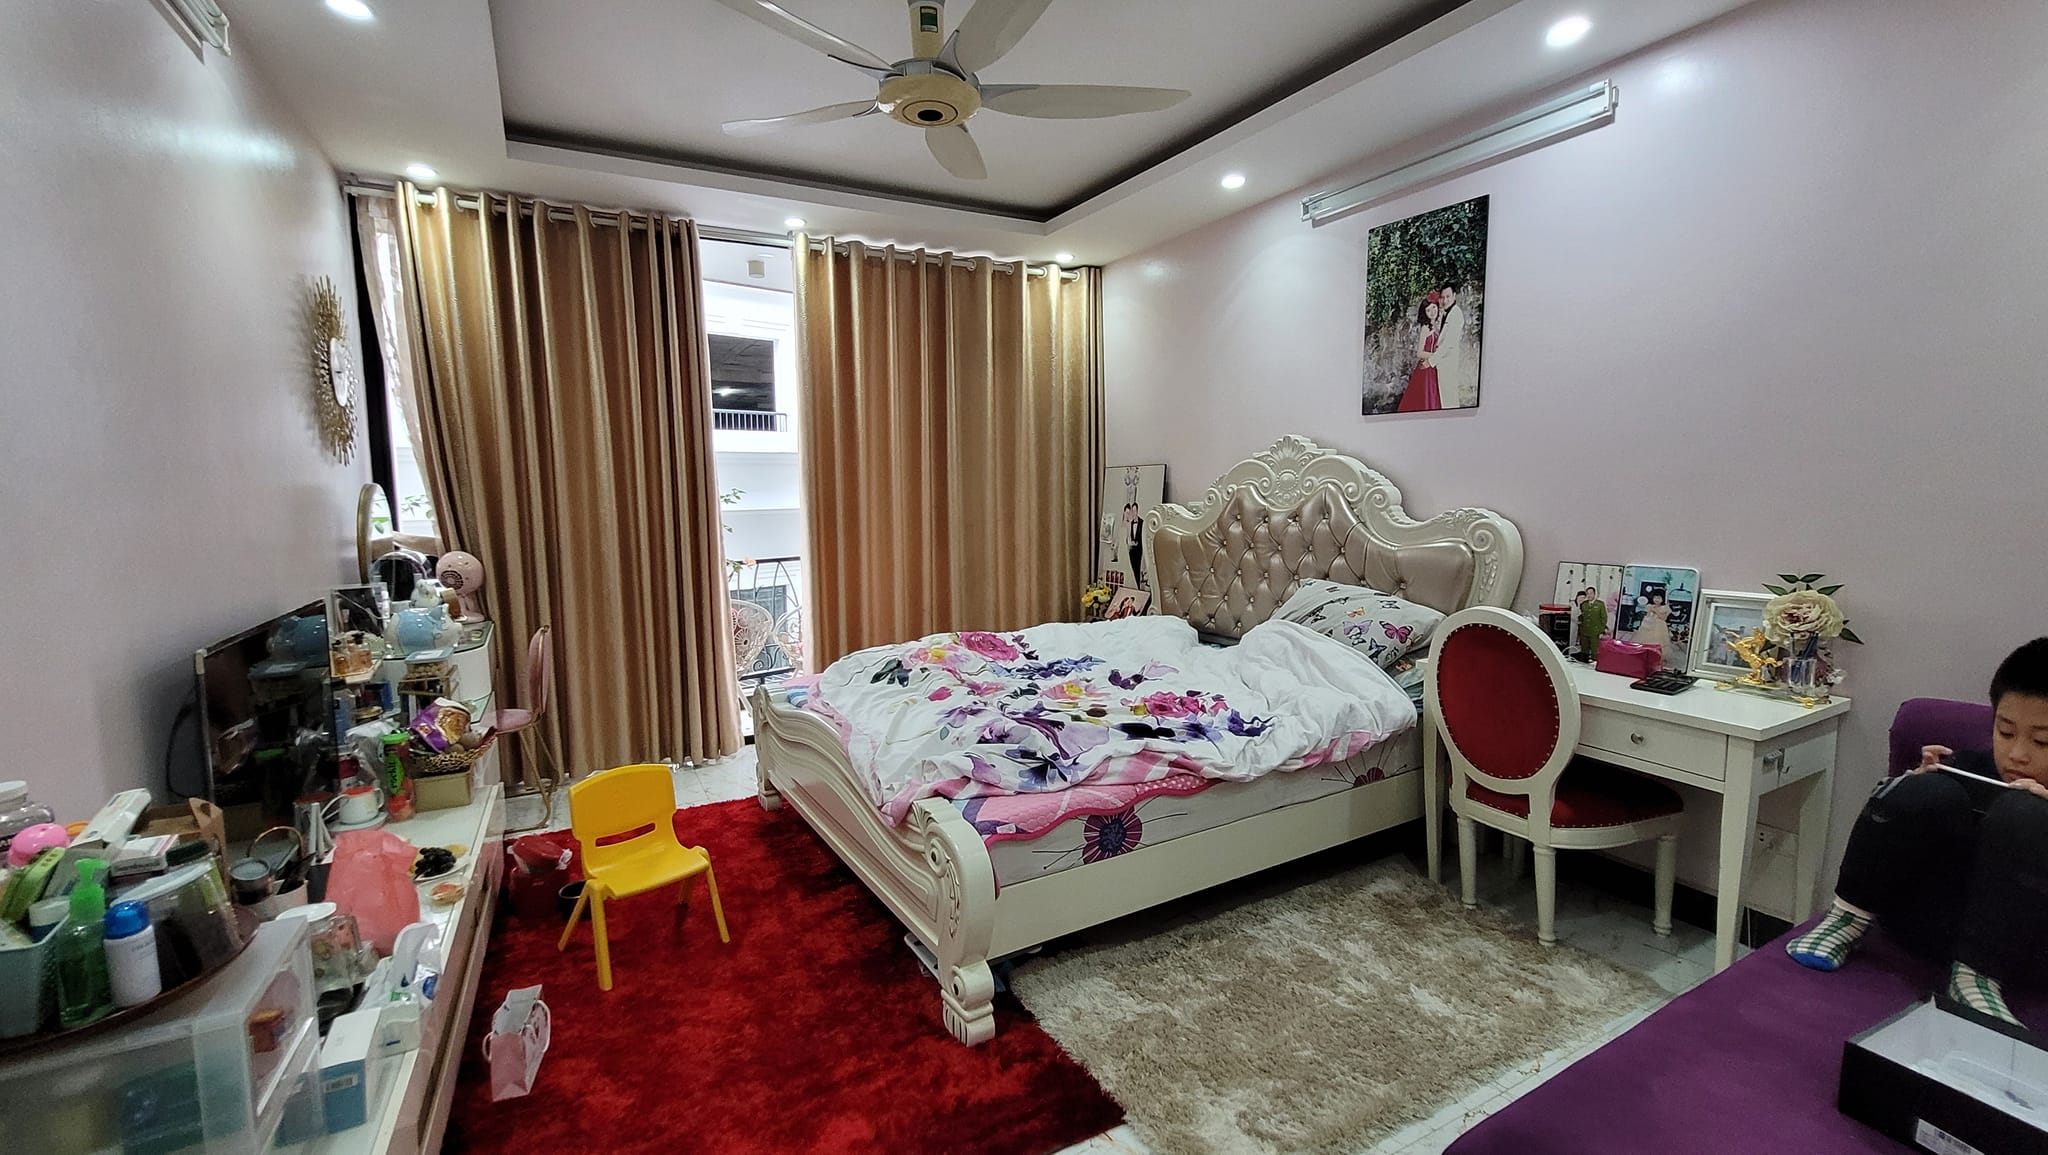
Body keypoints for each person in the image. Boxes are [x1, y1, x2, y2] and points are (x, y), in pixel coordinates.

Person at [1784, 638, 2048, 1025]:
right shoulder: (1972, 764)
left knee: (2025, 815)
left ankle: (1976, 978)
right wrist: (1914, 784)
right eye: (2005, 732)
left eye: (2042, 741)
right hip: (1925, 925)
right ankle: (1846, 920)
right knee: (1926, 791)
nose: (2017, 754)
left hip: (2018, 952)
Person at [1395, 294, 1443, 413]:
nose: (1432, 312)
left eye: (1434, 307)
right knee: (1425, 399)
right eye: (1428, 310)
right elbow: (1419, 353)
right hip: (1425, 369)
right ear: (1425, 313)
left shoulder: (1437, 325)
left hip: (1434, 366)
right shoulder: (1425, 328)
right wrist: (1437, 356)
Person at [1435, 282, 1468, 406]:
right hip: (1442, 364)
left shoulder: (1456, 314)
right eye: (1443, 297)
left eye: (1448, 296)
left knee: (1449, 399)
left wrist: (1431, 361)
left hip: (1448, 362)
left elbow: (1448, 343)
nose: (1445, 300)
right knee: (1443, 398)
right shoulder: (1445, 313)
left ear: (1454, 296)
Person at [1631, 590, 1672, 658]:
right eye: (1655, 597)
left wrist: (1655, 610)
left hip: (1659, 627)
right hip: (1649, 625)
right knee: (1645, 639)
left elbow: (1663, 618)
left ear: (1662, 599)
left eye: (1658, 598)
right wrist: (1649, 610)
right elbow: (1647, 616)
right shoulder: (1650, 606)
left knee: (1657, 640)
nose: (1656, 599)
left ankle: (1656, 655)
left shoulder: (1664, 607)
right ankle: (1645, 653)